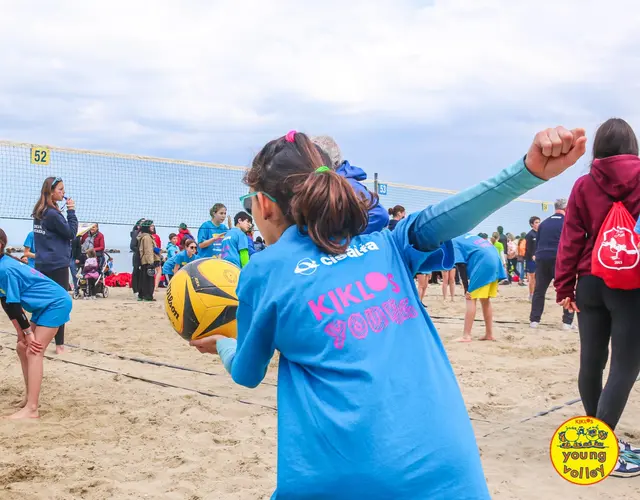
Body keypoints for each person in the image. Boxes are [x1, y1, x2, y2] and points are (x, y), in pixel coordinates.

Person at [189, 127, 586, 498]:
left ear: (263, 205)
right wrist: (528, 171)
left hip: (342, 480)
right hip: (451, 474)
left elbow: (247, 372)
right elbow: (445, 216)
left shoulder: (263, 270)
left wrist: (225, 345)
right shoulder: (386, 244)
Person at [555, 118, 640, 477]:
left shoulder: (584, 184)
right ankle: (603, 448)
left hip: (590, 279)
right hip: (632, 283)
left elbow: (571, 235)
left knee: (591, 361)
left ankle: (599, 437)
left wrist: (563, 285)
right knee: (625, 365)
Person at [0, 228, 73, 419]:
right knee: (21, 347)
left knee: (34, 350)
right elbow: (5, 302)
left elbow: (14, 304)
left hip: (56, 303)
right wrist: (20, 333)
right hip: (43, 306)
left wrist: (29, 333)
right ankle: (28, 398)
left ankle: (32, 409)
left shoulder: (5, 268)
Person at [32, 177, 77, 355]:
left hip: (42, 262)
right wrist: (71, 212)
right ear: (51, 191)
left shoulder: (39, 211)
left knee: (42, 302)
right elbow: (71, 233)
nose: (63, 192)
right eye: (60, 189)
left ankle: (34, 337)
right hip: (57, 264)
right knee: (60, 303)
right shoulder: (51, 213)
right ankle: (59, 346)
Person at [312, 135, 389, 233]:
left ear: (322, 158)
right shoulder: (336, 182)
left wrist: (344, 239)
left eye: (311, 156)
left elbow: (379, 215)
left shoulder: (345, 184)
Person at [529, 199, 574, 330]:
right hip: (559, 258)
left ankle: (534, 321)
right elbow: (571, 242)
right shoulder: (567, 221)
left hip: (542, 258)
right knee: (566, 289)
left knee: (539, 290)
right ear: (566, 208)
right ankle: (567, 323)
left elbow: (538, 243)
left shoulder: (543, 223)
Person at [454, 234, 507, 342]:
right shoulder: (469, 236)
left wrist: (466, 288)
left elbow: (461, 265)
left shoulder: (454, 241)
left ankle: (466, 336)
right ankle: (489, 334)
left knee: (470, 297)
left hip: (484, 263)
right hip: (495, 261)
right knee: (485, 299)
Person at [137, 220, 156, 302]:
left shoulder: (144, 236)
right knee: (149, 280)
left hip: (144, 261)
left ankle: (141, 295)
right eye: (151, 226)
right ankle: (148, 296)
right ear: (147, 227)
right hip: (147, 261)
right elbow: (148, 251)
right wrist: (151, 263)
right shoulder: (147, 237)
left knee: (143, 278)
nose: (153, 227)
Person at [524, 216, 541, 300]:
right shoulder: (529, 235)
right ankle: (531, 294)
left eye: (539, 222)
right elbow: (528, 247)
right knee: (532, 277)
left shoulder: (540, 233)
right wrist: (532, 255)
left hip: (540, 258)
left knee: (539, 277)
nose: (538, 224)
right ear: (532, 224)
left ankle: (537, 294)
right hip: (531, 259)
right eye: (536, 222)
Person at [130, 218, 145, 295]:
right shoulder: (136, 233)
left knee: (142, 272)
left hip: (144, 256)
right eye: (141, 223)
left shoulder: (146, 234)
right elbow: (132, 246)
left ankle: (141, 289)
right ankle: (135, 290)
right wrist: (141, 251)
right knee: (136, 272)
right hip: (137, 256)